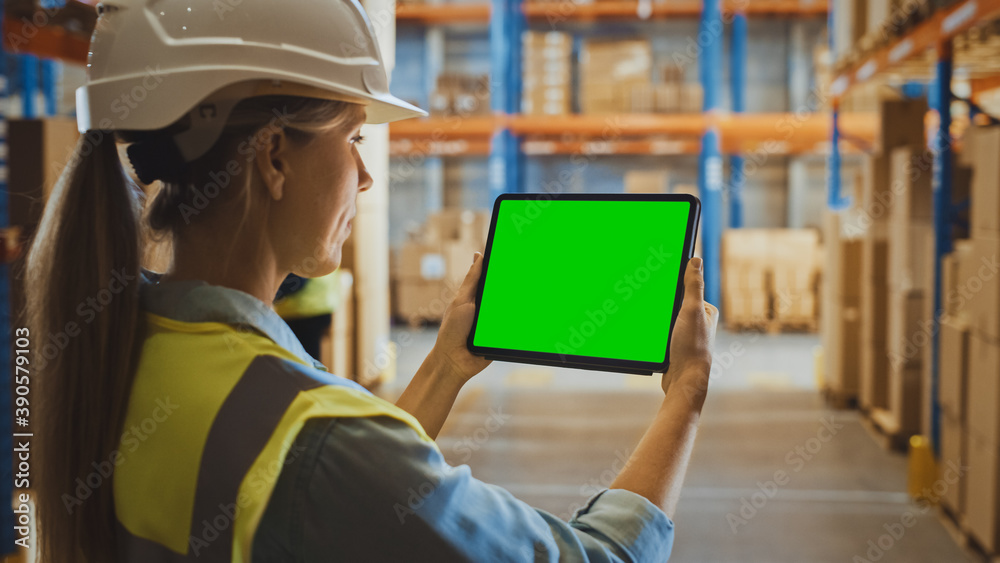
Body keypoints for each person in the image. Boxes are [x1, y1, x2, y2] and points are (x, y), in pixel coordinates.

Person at [24, 0, 719, 561]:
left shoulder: (118, 340)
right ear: (273, 158)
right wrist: (685, 396)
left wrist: (445, 367)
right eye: (354, 137)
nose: (366, 174)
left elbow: (321, 499)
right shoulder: (310, 434)